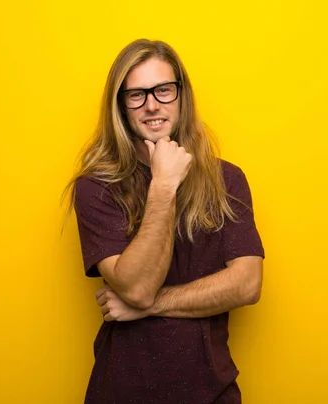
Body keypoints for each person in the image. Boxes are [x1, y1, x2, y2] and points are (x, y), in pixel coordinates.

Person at [65, 39, 265, 404]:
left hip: (212, 393)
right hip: (122, 391)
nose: (152, 104)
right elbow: (137, 286)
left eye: (163, 90)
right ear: (121, 106)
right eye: (137, 94)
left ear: (181, 96)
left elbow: (247, 284)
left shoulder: (228, 179)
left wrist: (149, 306)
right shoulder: (95, 188)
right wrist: (164, 185)